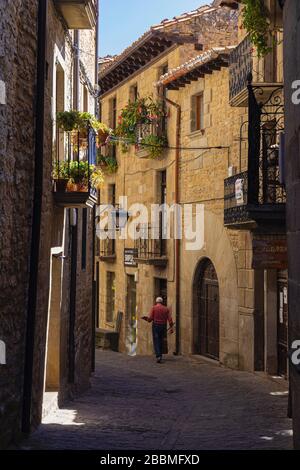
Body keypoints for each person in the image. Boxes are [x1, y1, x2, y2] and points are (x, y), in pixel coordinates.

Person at [142, 297, 174, 363]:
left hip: (156, 326)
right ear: (162, 302)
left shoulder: (154, 308)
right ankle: (160, 355)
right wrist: (171, 328)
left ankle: (158, 356)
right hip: (163, 326)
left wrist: (145, 318)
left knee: (156, 340)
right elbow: (170, 320)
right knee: (161, 340)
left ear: (156, 302)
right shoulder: (166, 309)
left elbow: (150, 319)